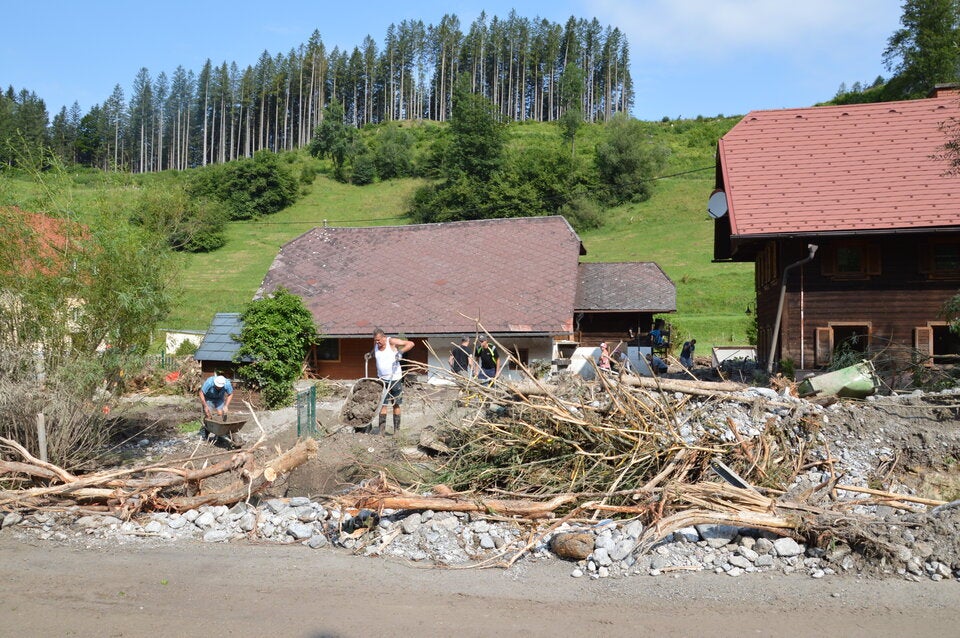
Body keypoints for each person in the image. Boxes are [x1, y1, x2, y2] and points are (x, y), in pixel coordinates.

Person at [373, 327, 414, 435]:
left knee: (396, 404)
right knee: (383, 404)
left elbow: (410, 344)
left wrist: (400, 352)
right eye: (375, 340)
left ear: (384, 337)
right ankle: (381, 433)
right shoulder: (377, 345)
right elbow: (376, 352)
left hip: (394, 379)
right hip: (382, 379)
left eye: (379, 340)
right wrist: (370, 353)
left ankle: (396, 432)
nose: (377, 342)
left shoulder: (391, 341)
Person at [198, 374, 234, 440]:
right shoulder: (209, 382)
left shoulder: (227, 384)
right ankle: (206, 433)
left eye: (220, 387)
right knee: (208, 415)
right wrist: (205, 406)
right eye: (217, 386)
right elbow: (201, 392)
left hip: (219, 398)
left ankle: (220, 433)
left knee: (221, 414)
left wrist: (226, 406)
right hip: (208, 398)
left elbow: (230, 394)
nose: (218, 388)